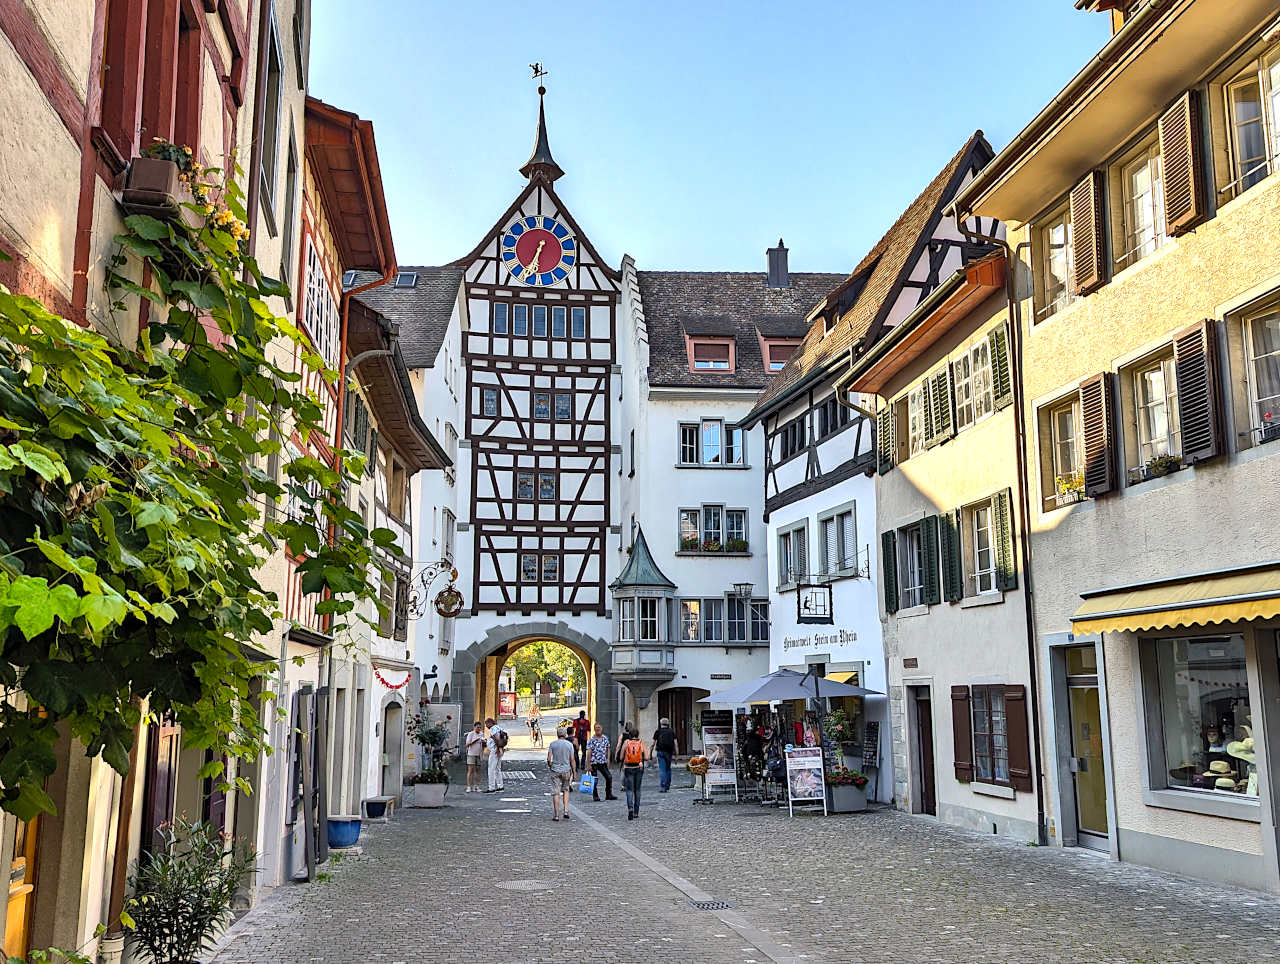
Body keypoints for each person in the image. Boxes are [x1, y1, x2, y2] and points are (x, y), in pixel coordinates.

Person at [616, 724, 649, 820]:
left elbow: (621, 757)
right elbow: (646, 757)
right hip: (639, 768)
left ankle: (630, 808)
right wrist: (640, 758)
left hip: (628, 768)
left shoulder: (626, 742)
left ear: (630, 734)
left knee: (629, 790)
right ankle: (636, 812)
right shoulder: (641, 743)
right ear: (638, 734)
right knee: (637, 790)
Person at [546, 726, 576, 822]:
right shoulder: (569, 745)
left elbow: (548, 759)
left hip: (555, 770)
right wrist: (574, 771)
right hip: (566, 770)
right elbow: (572, 759)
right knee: (566, 790)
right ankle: (566, 811)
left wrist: (550, 766)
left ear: (557, 735)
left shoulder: (552, 744)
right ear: (565, 734)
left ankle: (556, 815)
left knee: (556, 792)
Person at [585, 723, 617, 802]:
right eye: (596, 728)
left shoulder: (605, 738)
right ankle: (595, 796)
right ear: (594, 729)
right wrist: (588, 764)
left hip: (603, 762)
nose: (598, 729)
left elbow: (608, 748)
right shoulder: (591, 740)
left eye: (599, 727)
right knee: (594, 780)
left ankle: (608, 794)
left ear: (601, 728)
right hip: (594, 762)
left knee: (609, 777)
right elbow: (589, 752)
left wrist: (608, 759)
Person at [651, 717, 680, 793]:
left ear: (661, 724)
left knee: (662, 769)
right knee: (668, 769)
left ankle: (663, 786)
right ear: (668, 724)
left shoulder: (658, 731)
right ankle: (667, 785)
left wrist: (650, 753)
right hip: (669, 752)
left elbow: (653, 744)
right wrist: (677, 755)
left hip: (660, 752)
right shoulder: (671, 732)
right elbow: (676, 744)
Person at [484, 717, 505, 793]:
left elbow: (497, 738)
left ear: (490, 723)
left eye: (486, 724)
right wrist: (500, 748)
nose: (486, 726)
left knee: (491, 769)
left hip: (495, 750)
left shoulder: (493, 728)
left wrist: (497, 749)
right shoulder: (499, 727)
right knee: (497, 769)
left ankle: (491, 787)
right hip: (500, 749)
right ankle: (500, 786)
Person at [464, 721, 485, 793]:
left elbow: (483, 745)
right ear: (474, 727)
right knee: (471, 770)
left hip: (479, 754)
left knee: (478, 770)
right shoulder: (471, 734)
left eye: (480, 727)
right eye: (477, 727)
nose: (479, 729)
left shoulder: (482, 734)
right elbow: (467, 744)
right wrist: (475, 741)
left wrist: (484, 743)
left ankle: (477, 786)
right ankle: (469, 786)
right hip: (471, 754)